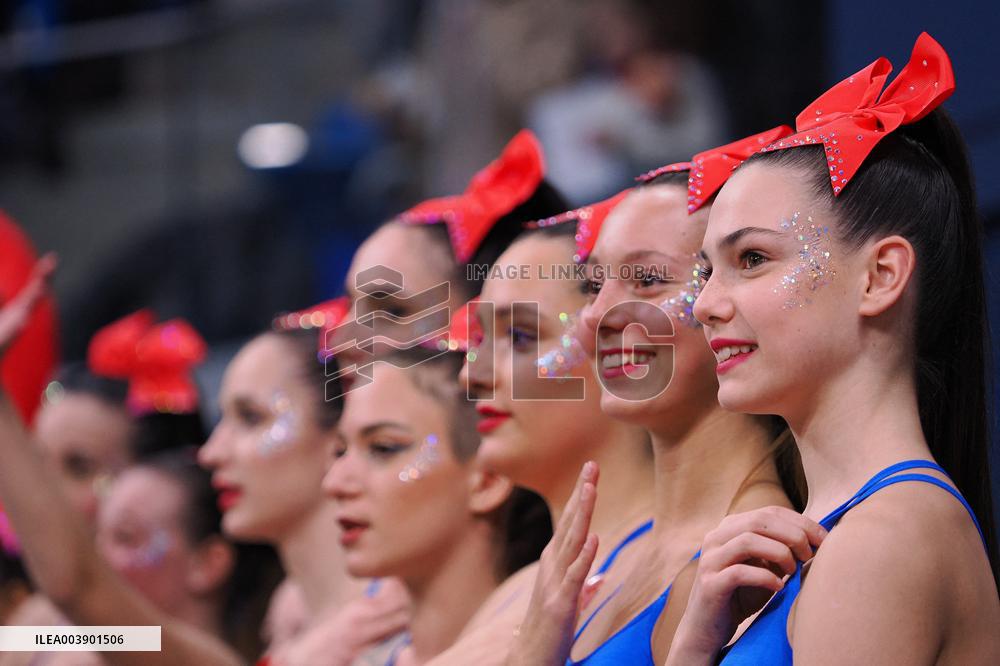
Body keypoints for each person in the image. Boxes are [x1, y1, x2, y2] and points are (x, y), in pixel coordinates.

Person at [668, 33, 1000, 664]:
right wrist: (695, 647)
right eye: (708, 271)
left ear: (880, 277)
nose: (706, 304)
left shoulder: (884, 539)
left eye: (753, 259)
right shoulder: (849, 533)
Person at [508, 126, 804, 665]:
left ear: (727, 299)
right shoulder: (614, 561)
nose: (597, 316)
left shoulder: (750, 559)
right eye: (594, 286)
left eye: (646, 281)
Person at [435, 219, 654, 664]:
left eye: (519, 337)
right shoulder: (517, 592)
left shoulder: (668, 567)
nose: (470, 376)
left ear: (618, 347)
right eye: (479, 339)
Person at [198, 312, 410, 664]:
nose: (211, 453)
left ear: (337, 438)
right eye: (221, 421)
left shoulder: (394, 623)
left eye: (251, 417)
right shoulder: (285, 627)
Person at [323, 344, 547, 665]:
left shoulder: (552, 645)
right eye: (341, 451)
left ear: (488, 480)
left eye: (383, 448)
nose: (334, 483)